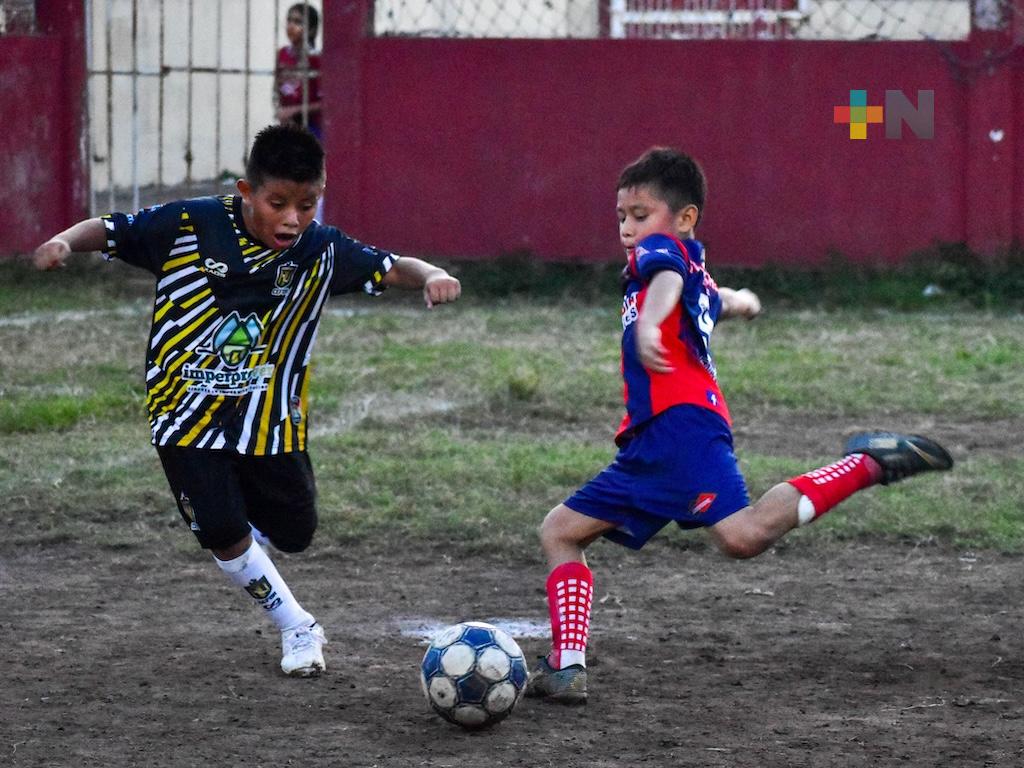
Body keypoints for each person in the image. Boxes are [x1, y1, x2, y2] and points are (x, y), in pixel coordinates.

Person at [525, 147, 953, 704]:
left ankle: (869, 463)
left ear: (684, 218)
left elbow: (666, 284)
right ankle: (566, 667)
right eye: (621, 218)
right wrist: (742, 301)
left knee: (742, 535)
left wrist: (652, 323)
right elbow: (706, 295)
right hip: (659, 436)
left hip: (679, 427)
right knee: (562, 531)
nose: (629, 230)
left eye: (640, 214)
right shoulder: (693, 269)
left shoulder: (660, 256)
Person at [33, 124, 461, 678]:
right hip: (182, 411)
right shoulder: (188, 225)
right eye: (278, 203)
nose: (292, 218)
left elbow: (389, 266)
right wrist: (66, 240)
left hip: (269, 421)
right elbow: (112, 229)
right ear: (245, 191)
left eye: (307, 204)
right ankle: (297, 626)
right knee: (220, 528)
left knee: (296, 533)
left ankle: (241, 531)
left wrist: (433, 274)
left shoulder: (320, 250)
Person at [275, 3, 322, 139]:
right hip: (287, 125)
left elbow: (326, 103)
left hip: (313, 126)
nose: (291, 26)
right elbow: (278, 89)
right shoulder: (282, 54)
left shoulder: (317, 59)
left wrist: (294, 110)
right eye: (289, 20)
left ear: (312, 30)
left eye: (298, 22)